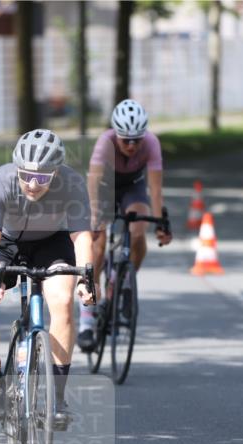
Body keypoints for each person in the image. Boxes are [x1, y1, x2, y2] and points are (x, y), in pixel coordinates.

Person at [0, 129, 95, 428]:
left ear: (56, 172)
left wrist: (86, 278)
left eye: (42, 178)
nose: (32, 184)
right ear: (16, 168)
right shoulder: (0, 181)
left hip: (51, 244)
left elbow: (81, 237)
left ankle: (57, 399)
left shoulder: (72, 183)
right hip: (5, 245)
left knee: (62, 303)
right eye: (26, 175)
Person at [78, 99, 172, 352]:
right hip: (105, 186)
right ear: (116, 135)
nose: (131, 145)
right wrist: (94, 218)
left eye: (136, 140)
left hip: (133, 187)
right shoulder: (105, 143)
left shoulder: (151, 144)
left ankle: (126, 281)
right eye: (126, 140)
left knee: (138, 228)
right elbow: (94, 184)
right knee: (96, 247)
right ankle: (87, 319)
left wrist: (161, 221)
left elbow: (154, 188)